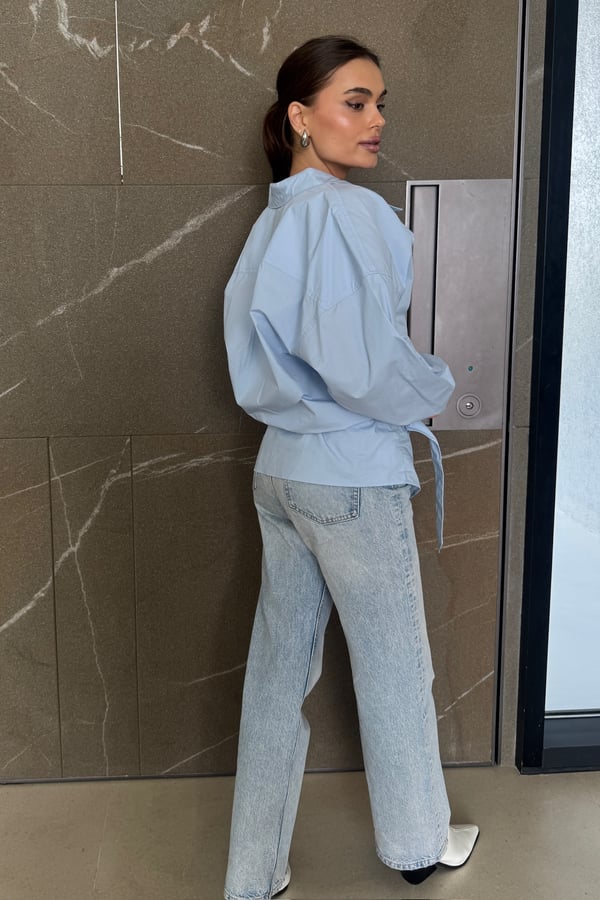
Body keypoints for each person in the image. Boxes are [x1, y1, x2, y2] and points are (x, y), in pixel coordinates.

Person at [222, 35, 479, 900]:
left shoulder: (274, 220)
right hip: (351, 478)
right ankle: (416, 846)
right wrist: (436, 385)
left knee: (276, 676)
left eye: (380, 104)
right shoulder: (345, 212)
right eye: (356, 102)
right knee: (395, 665)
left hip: (281, 474)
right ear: (301, 117)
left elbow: (262, 358)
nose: (376, 121)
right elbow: (363, 363)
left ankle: (252, 875)